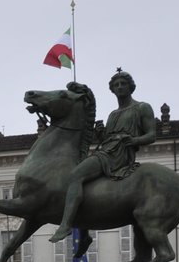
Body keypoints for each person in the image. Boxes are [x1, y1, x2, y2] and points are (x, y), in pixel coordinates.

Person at [50, 70, 159, 243]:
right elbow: (108, 139)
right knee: (86, 184)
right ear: (112, 90)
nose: (120, 87)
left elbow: (152, 135)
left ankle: (66, 226)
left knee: (76, 175)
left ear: (131, 87)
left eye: (123, 84)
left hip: (121, 155)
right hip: (106, 151)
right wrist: (101, 134)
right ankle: (84, 234)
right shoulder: (113, 114)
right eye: (116, 85)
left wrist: (133, 140)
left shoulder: (142, 107)